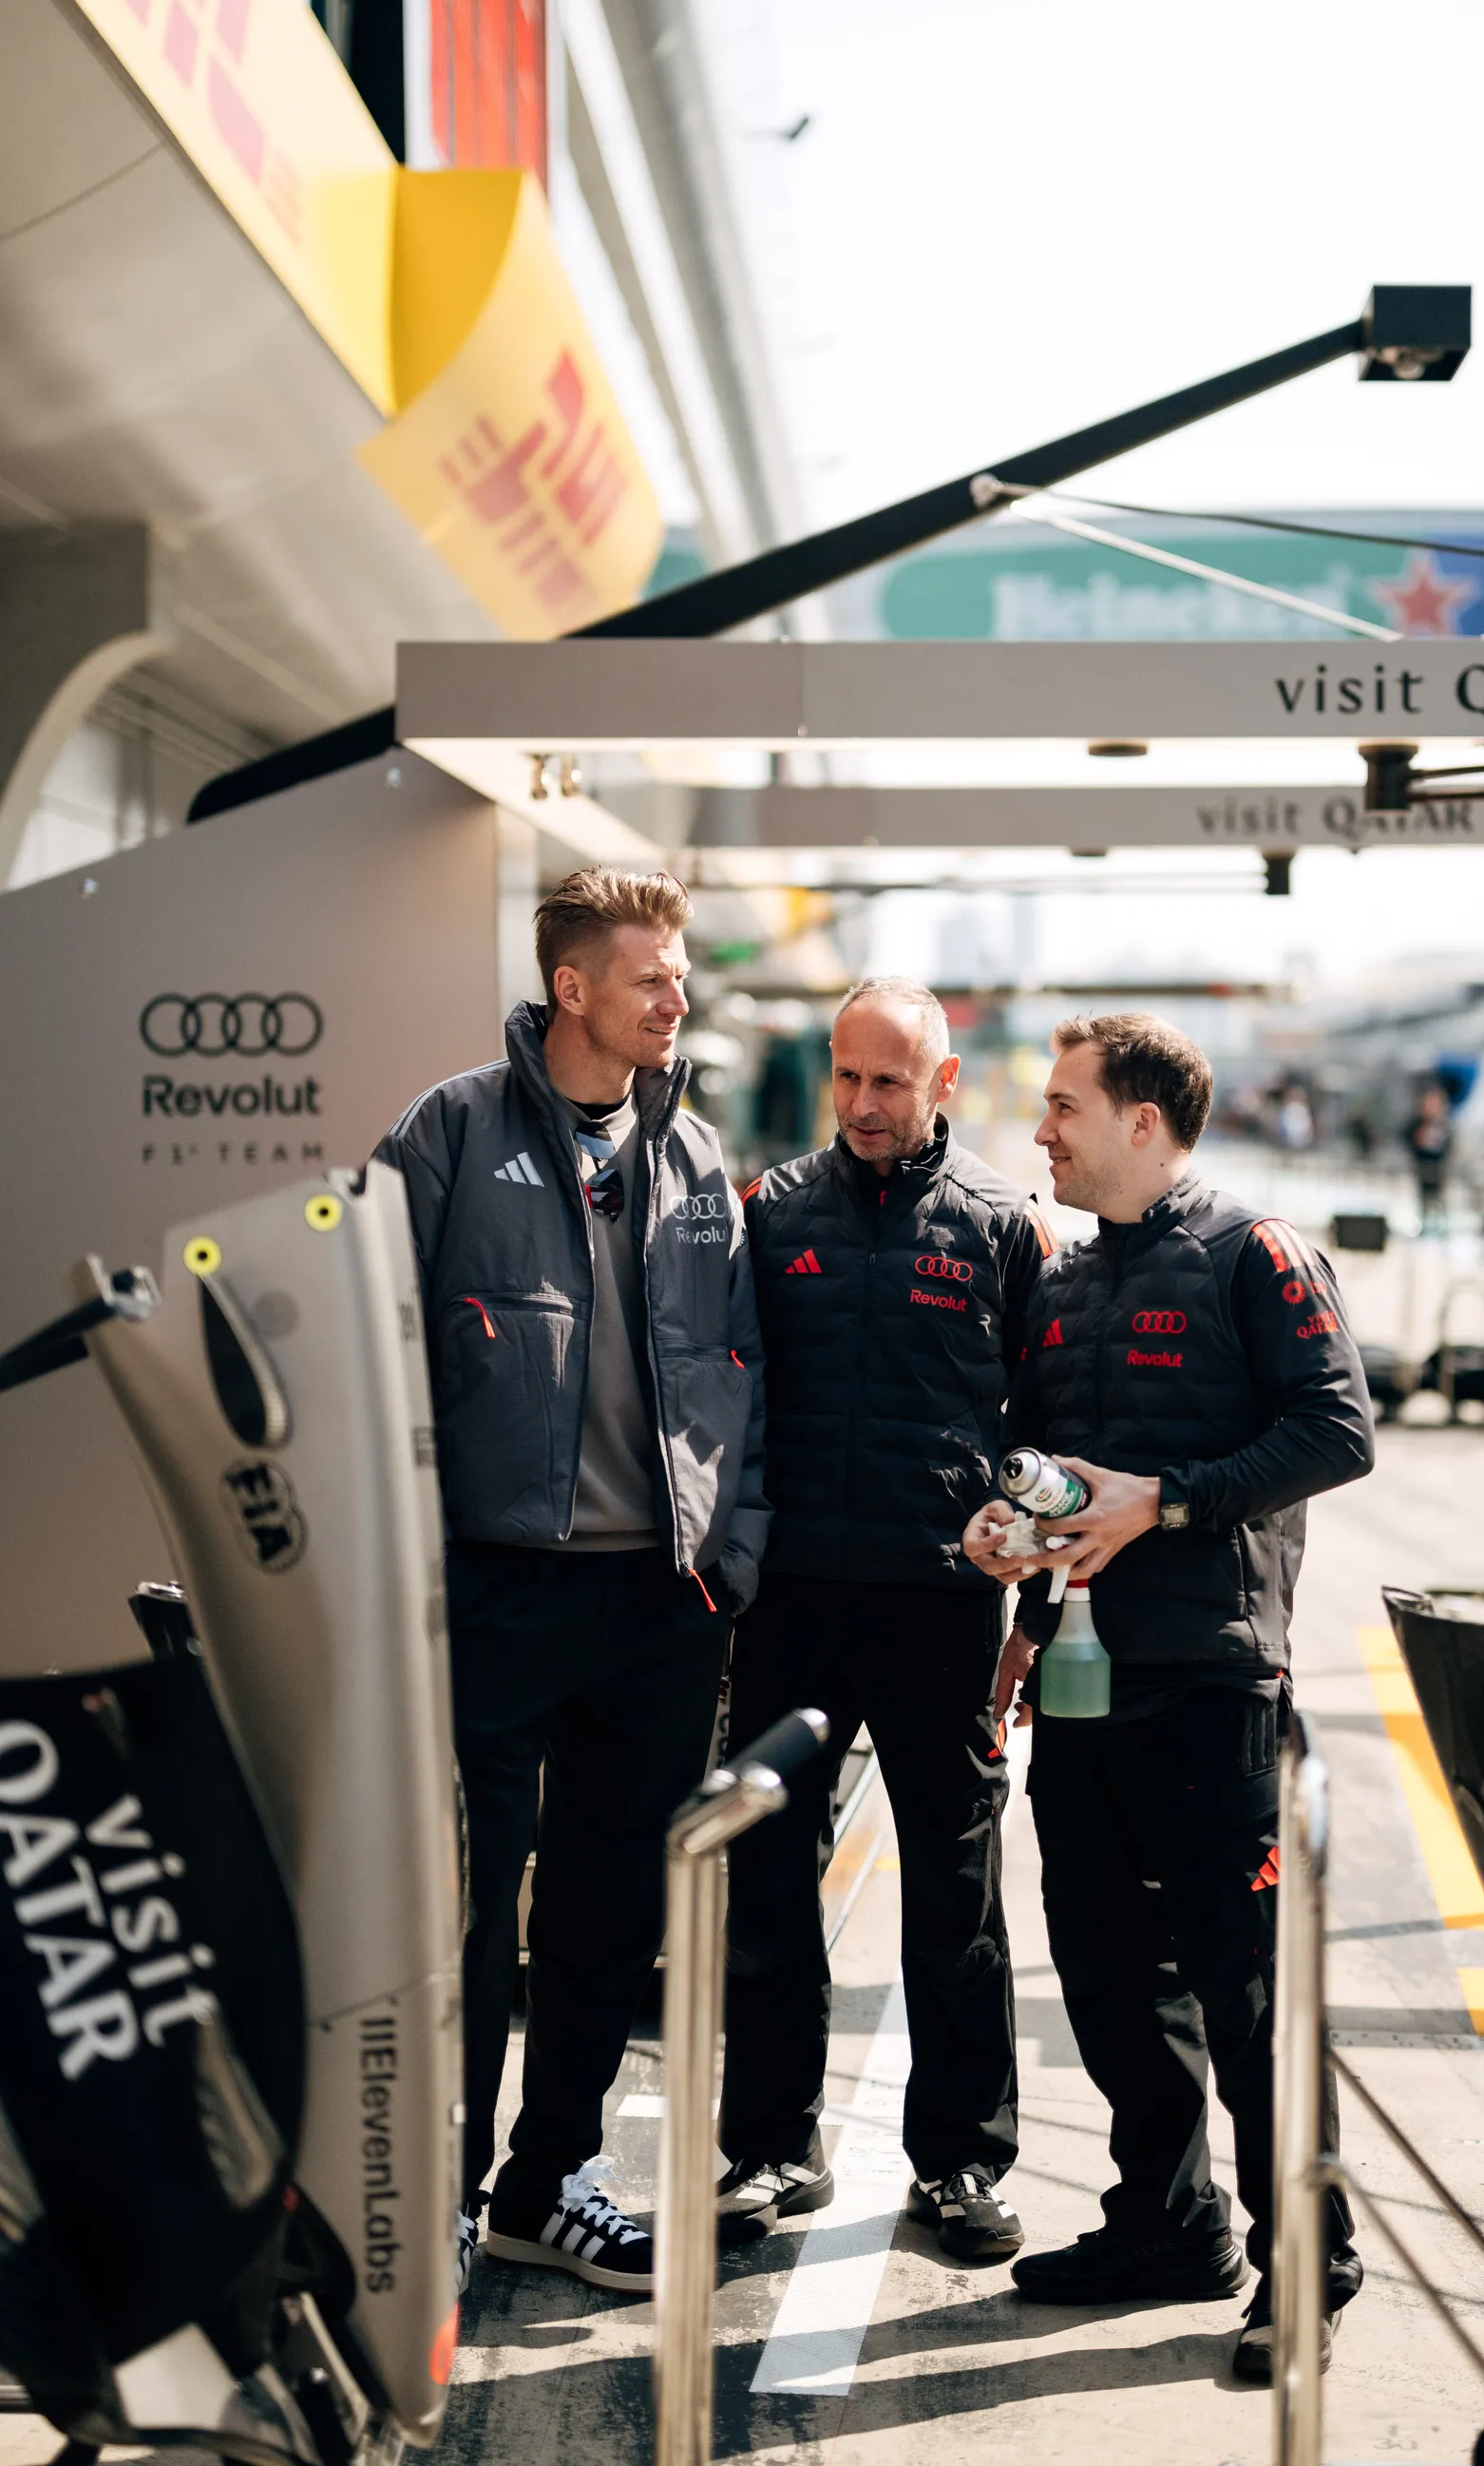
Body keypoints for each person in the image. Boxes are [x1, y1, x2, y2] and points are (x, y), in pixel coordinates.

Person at [372, 867, 767, 2299]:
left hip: (659, 1601)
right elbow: (378, 1353)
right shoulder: (450, 1133)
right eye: (654, 976)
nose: (679, 997)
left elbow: (740, 1368)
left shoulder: (692, 1157)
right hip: (494, 1589)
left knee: (610, 1908)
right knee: (466, 1906)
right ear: (577, 990)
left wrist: (733, 1551)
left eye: (679, 977)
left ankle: (551, 2182)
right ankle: (450, 2183)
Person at [962, 1013, 1374, 2379]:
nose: (1043, 1133)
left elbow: (1336, 1429)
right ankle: (1168, 2221)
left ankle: (1305, 2260)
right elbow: (1059, 1478)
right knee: (1105, 1973)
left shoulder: (1255, 1253)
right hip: (1080, 1682)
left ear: (1145, 1120)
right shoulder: (1068, 1282)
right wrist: (1015, 1564)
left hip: (1211, 1680)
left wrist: (1173, 1502)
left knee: (1242, 1991)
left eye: (1066, 1107)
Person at [716, 979, 1054, 2264]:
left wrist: (1035, 1600)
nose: (864, 1104)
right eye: (848, 1079)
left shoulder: (1001, 1231)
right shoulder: (770, 1211)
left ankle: (961, 2165)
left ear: (944, 1084)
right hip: (790, 1604)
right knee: (766, 1885)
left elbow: (1043, 1441)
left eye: (891, 1082)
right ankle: (768, 2151)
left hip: (943, 1615)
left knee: (956, 1899)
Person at [1403, 1081, 1453, 1221]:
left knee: (1438, 1196)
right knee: (1424, 1196)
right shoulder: (1415, 1125)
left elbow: (1449, 1145)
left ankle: (1439, 1220)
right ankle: (1424, 1219)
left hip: (1438, 1167)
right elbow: (1408, 1139)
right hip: (1421, 1166)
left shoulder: (1444, 1125)